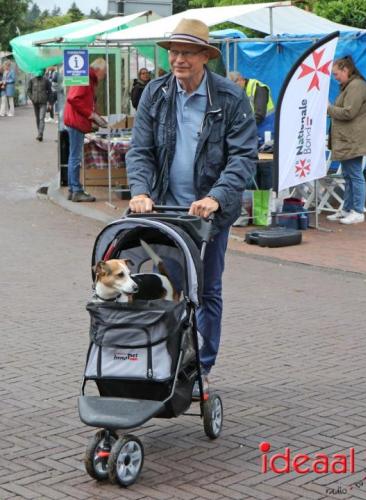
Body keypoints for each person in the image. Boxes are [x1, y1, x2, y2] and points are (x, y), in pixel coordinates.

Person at [126, 19, 257, 395]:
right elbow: (141, 150)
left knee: (207, 288)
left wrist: (216, 196)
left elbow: (243, 157)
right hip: (163, 209)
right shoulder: (156, 92)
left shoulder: (230, 98)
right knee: (165, 286)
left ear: (204, 56)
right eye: (173, 51)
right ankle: (161, 361)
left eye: (186, 52)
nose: (178, 59)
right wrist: (140, 190)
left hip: (208, 214)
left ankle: (202, 367)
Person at [327, 55, 366, 225]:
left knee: (354, 175)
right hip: (350, 138)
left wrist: (329, 109)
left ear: (345, 70)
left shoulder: (356, 86)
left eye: (336, 74)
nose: (335, 78)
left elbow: (349, 112)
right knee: (348, 175)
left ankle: (357, 211)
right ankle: (347, 209)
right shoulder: (351, 85)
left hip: (354, 139)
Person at [63, 58, 107, 202]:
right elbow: (73, 98)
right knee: (75, 157)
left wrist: (93, 116)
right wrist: (91, 115)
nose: (105, 75)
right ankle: (76, 190)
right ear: (99, 70)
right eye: (105, 72)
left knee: (73, 156)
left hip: (75, 120)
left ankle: (73, 189)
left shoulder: (86, 77)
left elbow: (78, 99)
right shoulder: (86, 78)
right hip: (76, 121)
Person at [229, 71, 275, 142]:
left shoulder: (258, 88)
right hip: (254, 130)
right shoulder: (240, 92)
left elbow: (259, 115)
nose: (233, 88)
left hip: (266, 129)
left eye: (234, 84)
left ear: (241, 79)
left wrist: (243, 127)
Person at [27, 69, 51, 141]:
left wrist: (50, 102)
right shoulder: (32, 80)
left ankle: (40, 134)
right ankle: (39, 133)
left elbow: (50, 91)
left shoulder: (46, 81)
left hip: (43, 102)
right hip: (35, 102)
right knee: (37, 119)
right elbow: (28, 91)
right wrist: (32, 98)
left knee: (41, 118)